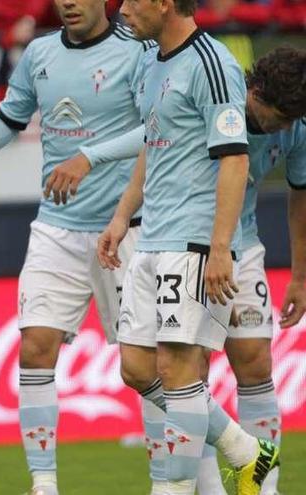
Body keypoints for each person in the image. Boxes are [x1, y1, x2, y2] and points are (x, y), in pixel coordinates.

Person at [50, 45, 306, 495]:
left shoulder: (296, 128)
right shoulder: (217, 95)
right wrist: (110, 190)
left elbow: (301, 196)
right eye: (275, 115)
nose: (280, 128)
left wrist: (301, 276)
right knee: (168, 370)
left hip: (238, 248)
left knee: (253, 362)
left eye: (289, 120)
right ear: (255, 90)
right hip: (180, 243)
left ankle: (263, 488)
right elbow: (150, 141)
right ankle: (222, 472)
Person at [0, 1, 154, 493]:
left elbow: (155, 128)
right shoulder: (39, 53)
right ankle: (44, 484)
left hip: (128, 227)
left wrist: (88, 158)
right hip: (57, 228)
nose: (67, 3)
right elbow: (9, 119)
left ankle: (198, 469)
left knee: (145, 369)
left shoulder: (138, 50)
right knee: (35, 347)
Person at [97, 0, 280, 493]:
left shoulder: (211, 62)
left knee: (178, 370)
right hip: (153, 234)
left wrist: (220, 247)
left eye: (134, 1)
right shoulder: (151, 62)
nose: (123, 9)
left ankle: (173, 489)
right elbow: (151, 145)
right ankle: (245, 450)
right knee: (136, 369)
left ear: (164, 2)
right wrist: (121, 216)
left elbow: (235, 158)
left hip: (194, 240)